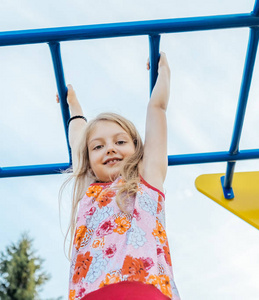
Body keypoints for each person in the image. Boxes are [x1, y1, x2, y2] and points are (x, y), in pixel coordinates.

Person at [57, 52, 180, 300]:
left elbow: (157, 109)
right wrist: (74, 106)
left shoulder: (146, 181)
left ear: (136, 148)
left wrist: (164, 71)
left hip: (143, 290)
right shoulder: (88, 188)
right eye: (98, 147)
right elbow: (78, 139)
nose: (110, 148)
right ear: (89, 160)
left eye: (120, 141)